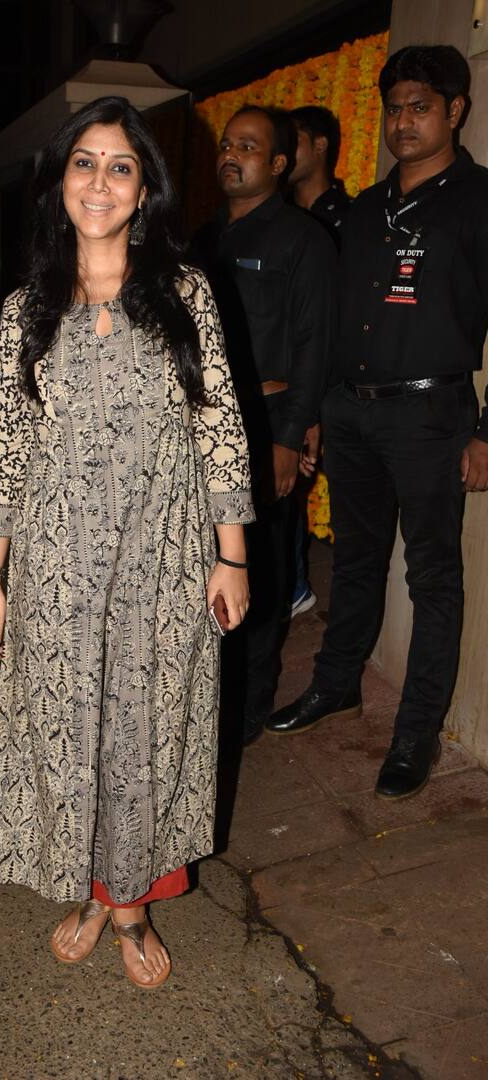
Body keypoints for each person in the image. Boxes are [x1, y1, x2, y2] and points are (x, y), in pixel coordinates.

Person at [0, 96, 253, 988]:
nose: (100, 181)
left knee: (146, 736)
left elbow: (220, 428)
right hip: (55, 569)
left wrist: (231, 551)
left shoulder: (185, 294)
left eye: (120, 165)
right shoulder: (27, 310)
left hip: (161, 564)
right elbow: (6, 447)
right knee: (68, 734)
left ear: (145, 190)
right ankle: (91, 891)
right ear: (59, 185)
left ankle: (130, 905)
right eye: (84, 163)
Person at [267, 46, 488, 801]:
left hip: (431, 415)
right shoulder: (365, 207)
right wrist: (317, 413)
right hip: (351, 412)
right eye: (394, 107)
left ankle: (415, 732)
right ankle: (337, 685)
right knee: (356, 562)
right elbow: (336, 320)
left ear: (456, 109)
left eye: (419, 106)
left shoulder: (480, 202)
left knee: (432, 577)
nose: (403, 121)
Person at [192, 105, 337, 745]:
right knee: (199, 561)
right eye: (227, 144)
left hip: (268, 419)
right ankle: (201, 692)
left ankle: (248, 706)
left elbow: (314, 343)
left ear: (277, 164)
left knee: (262, 565)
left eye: (247, 146)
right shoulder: (200, 240)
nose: (231, 154)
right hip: (197, 423)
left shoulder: (303, 240)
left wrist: (289, 435)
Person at [288, 105, 353, 619]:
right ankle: (290, 586)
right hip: (287, 385)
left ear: (322, 145)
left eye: (296, 140)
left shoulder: (348, 220)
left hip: (336, 388)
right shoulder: (278, 216)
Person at [289, 105, 352, 245]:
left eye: (292, 141)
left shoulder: (355, 217)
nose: (283, 153)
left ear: (319, 145)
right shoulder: (274, 213)